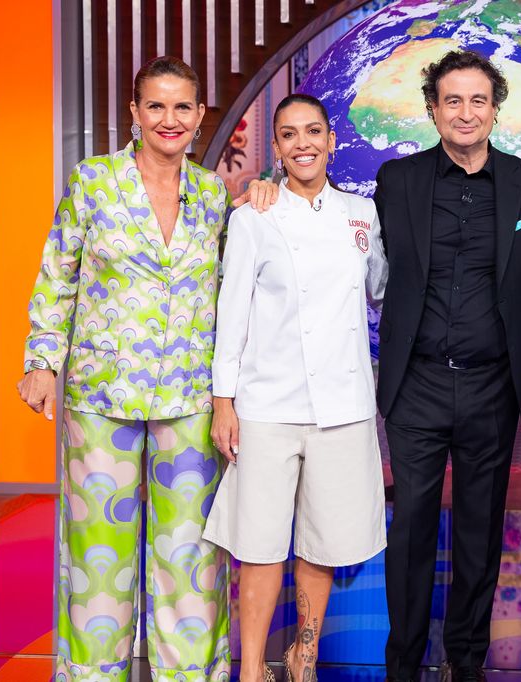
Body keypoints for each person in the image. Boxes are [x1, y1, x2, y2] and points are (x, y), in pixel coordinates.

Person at [18, 56, 235, 681]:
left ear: (199, 117)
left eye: (183, 107)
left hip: (192, 398)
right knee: (98, 557)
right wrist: (42, 361)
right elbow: (58, 277)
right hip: (101, 395)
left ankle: (191, 674)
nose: (170, 119)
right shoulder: (92, 182)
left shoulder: (213, 195)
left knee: (191, 555)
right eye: (157, 106)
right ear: (134, 115)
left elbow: (232, 288)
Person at [373, 50, 521, 682]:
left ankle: (467, 660)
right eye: (453, 100)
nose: (466, 112)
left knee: (480, 531)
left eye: (478, 100)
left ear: (495, 110)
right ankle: (404, 663)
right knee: (411, 532)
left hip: (490, 385)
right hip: (416, 382)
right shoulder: (397, 181)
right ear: (432, 110)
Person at [201, 93, 388, 682]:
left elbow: (382, 286)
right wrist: (224, 402)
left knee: (324, 541)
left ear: (332, 141)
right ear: (276, 147)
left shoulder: (362, 214)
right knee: (258, 544)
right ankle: (252, 668)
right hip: (266, 404)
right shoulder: (253, 216)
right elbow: (232, 314)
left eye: (313, 132)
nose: (303, 143)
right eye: (289, 134)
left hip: (344, 403)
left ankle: (303, 656)